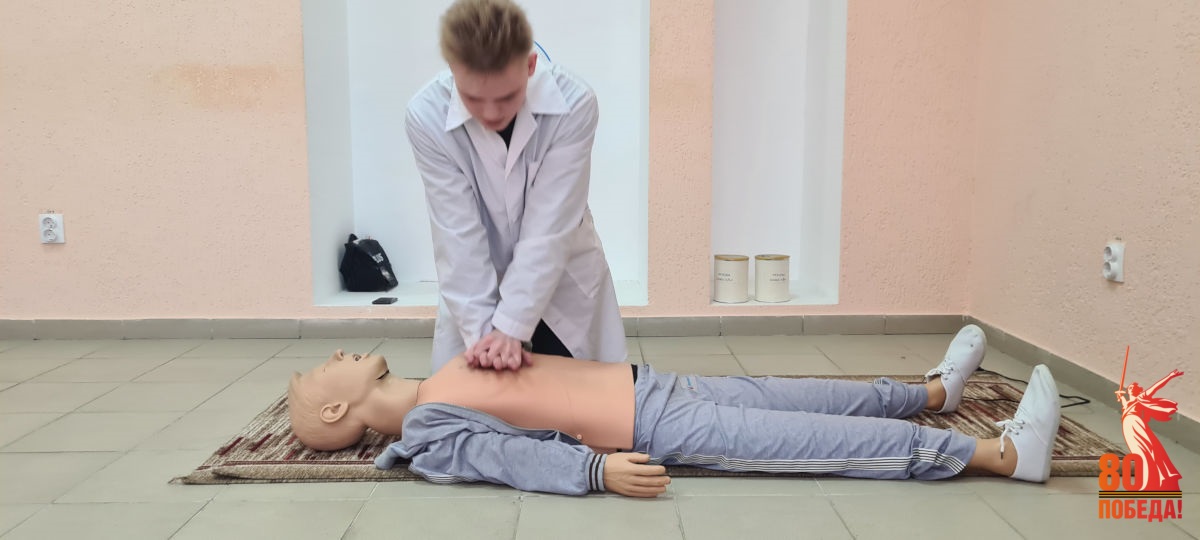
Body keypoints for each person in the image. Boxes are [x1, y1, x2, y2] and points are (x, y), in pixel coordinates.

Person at [287, 325, 1063, 497]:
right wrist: (594, 472)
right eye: (328, 366)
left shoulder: (438, 374)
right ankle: (1001, 456)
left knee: (800, 391)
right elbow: (507, 457)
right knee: (810, 435)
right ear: (335, 407)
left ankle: (932, 395)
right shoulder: (427, 431)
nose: (340, 353)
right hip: (656, 427)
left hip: (652, 384)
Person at [406, 0, 626, 372]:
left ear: (530, 65)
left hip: (561, 278)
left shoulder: (574, 103)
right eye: (473, 99)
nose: (491, 114)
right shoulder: (426, 116)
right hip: (475, 286)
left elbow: (549, 226)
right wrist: (484, 338)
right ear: (453, 69)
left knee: (580, 398)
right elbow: (456, 235)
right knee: (472, 397)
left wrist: (511, 326)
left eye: (507, 96)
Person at [1115, 369, 1184, 491]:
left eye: (1134, 387)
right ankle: (1147, 478)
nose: (1131, 388)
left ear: (1138, 390)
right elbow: (1125, 406)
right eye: (1130, 387)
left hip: (1136, 424)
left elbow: (1156, 387)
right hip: (1128, 426)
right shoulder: (1128, 402)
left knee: (1146, 449)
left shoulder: (1141, 397)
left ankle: (1151, 480)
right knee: (1137, 450)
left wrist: (1170, 376)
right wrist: (1121, 397)